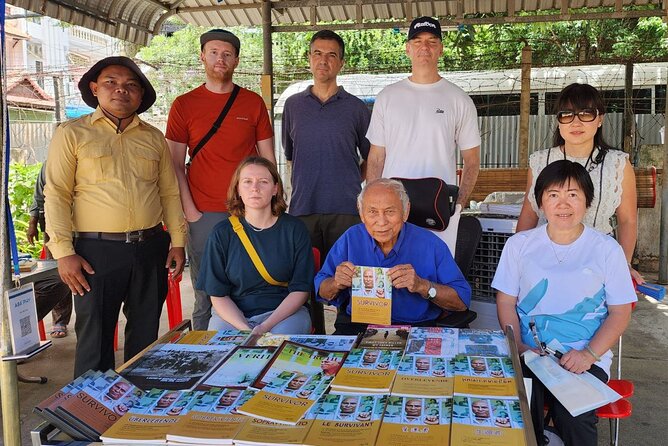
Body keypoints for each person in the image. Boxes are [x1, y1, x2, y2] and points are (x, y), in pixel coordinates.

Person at [44, 56, 186, 378]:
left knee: (145, 333)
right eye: (111, 82)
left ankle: (135, 411)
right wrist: (64, 253)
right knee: (95, 338)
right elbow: (57, 194)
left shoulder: (153, 138)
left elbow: (169, 193)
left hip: (151, 247)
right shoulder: (72, 134)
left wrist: (177, 242)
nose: (121, 90)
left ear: (140, 96)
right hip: (95, 252)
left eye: (131, 85)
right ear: (95, 89)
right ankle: (90, 417)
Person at [492, 160, 636, 446]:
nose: (563, 203)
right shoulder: (519, 245)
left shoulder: (606, 249)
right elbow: (506, 302)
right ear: (541, 202)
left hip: (582, 358)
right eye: (553, 195)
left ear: (587, 201)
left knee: (573, 413)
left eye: (573, 194)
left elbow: (620, 313)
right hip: (530, 354)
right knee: (517, 407)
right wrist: (519, 346)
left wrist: (589, 355)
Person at [166, 28, 275, 330]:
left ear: (236, 60)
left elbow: (267, 162)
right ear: (202, 56)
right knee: (206, 291)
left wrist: (269, 205)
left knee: (251, 281)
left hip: (248, 210)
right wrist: (190, 211)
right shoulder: (184, 105)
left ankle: (248, 347)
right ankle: (204, 353)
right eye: (213, 52)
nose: (220, 58)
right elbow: (174, 163)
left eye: (227, 53)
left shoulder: (252, 103)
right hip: (203, 212)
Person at [365, 16, 481, 253]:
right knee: (390, 274)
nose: (424, 47)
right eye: (417, 41)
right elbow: (376, 157)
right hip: (391, 208)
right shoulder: (388, 97)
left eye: (431, 41)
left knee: (434, 279)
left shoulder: (459, 99)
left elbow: (472, 161)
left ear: (441, 48)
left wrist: (457, 205)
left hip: (438, 209)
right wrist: (371, 204)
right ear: (408, 48)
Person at [517, 83, 643, 284]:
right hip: (545, 259)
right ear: (559, 121)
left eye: (586, 113)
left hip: (598, 262)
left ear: (600, 119)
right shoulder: (540, 161)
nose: (576, 122)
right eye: (567, 114)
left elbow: (627, 220)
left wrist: (623, 265)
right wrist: (518, 260)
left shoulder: (617, 163)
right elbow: (529, 213)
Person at [315, 179, 471, 335]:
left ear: (405, 211)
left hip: (415, 329)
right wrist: (336, 283)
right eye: (372, 211)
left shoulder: (430, 244)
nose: (381, 222)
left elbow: (461, 301)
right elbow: (321, 290)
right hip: (359, 327)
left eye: (390, 211)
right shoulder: (351, 238)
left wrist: (423, 286)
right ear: (361, 213)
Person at [197, 157, 314, 334]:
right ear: (238, 189)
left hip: (284, 315)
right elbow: (218, 294)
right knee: (222, 353)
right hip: (232, 317)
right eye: (247, 182)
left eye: (263, 182)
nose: (255, 188)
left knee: (280, 349)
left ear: (275, 188)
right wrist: (245, 329)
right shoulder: (222, 233)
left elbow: (300, 289)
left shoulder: (294, 229)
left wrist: (265, 327)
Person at [282, 30, 371, 260]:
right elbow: (291, 157)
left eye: (332, 55)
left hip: (346, 209)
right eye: (317, 53)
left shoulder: (357, 108)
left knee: (344, 277)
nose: (323, 60)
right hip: (303, 208)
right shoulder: (293, 106)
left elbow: (371, 157)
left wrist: (350, 179)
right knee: (306, 281)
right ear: (309, 58)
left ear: (341, 63)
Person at [27, 164, 72, 339]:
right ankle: (60, 320)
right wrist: (32, 223)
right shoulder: (50, 164)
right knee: (60, 273)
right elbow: (39, 196)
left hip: (84, 223)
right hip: (53, 224)